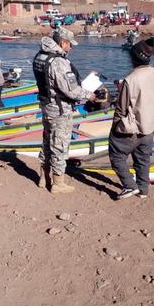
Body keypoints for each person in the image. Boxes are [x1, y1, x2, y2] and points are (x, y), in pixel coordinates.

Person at [32, 27, 95, 193]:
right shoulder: (58, 62)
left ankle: (43, 177)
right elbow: (71, 91)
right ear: (62, 43)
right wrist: (89, 95)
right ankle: (58, 183)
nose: (71, 48)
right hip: (60, 109)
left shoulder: (40, 56)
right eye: (70, 44)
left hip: (47, 106)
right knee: (60, 144)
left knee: (47, 142)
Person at [108, 41, 154, 200]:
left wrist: (116, 127)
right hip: (149, 127)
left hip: (131, 129)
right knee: (143, 159)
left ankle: (129, 185)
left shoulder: (131, 79)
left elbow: (121, 108)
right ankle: (143, 189)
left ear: (133, 58)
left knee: (117, 156)